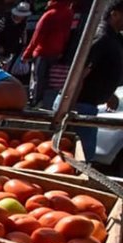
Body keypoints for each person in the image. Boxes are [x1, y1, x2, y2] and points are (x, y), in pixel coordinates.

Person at [56, 0, 123, 160]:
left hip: (88, 105)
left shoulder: (114, 39)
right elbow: (81, 72)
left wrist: (109, 93)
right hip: (79, 105)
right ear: (114, 14)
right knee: (78, 158)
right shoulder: (101, 37)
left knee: (82, 156)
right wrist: (69, 107)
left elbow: (103, 70)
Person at [22, 0, 74, 107]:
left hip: (42, 51)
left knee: (38, 78)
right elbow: (67, 35)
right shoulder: (69, 13)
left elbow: (37, 36)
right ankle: (47, 103)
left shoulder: (49, 15)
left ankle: (36, 101)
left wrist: (27, 54)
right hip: (56, 51)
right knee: (51, 80)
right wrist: (62, 50)